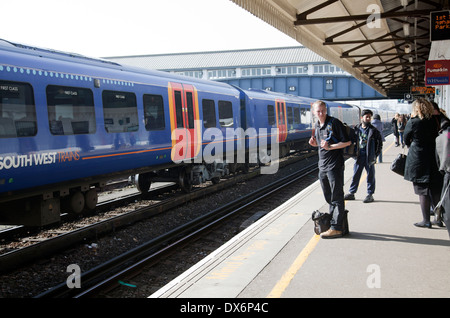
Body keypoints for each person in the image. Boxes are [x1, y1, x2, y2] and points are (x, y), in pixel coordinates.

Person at [309, 100, 351, 239]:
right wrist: (315, 144)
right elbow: (322, 146)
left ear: (326, 110)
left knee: (337, 195)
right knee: (329, 196)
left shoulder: (334, 123)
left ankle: (336, 228)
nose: (321, 113)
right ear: (314, 112)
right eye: (318, 111)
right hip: (322, 166)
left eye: (323, 111)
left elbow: (347, 142)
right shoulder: (317, 125)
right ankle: (336, 223)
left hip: (334, 165)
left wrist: (330, 147)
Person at [404, 98, 442, 228]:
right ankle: (438, 219)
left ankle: (426, 220)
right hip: (434, 156)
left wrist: (413, 144)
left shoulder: (413, 121)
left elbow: (406, 139)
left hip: (418, 159)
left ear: (415, 108)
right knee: (436, 189)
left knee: (422, 191)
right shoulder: (435, 120)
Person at [344, 109, 383, 203]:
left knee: (370, 176)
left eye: (370, 117)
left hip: (369, 157)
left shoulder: (373, 130)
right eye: (367, 116)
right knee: (356, 175)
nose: (369, 118)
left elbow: (379, 144)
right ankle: (352, 193)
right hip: (358, 156)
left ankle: (370, 194)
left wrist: (375, 155)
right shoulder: (356, 129)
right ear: (362, 118)